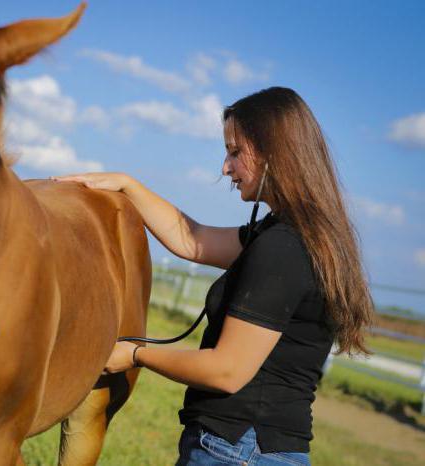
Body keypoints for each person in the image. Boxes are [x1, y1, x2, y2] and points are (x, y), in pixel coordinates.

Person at [54, 87, 373, 465]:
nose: (225, 167)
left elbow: (227, 371)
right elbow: (194, 240)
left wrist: (137, 355)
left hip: (237, 451)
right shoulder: (291, 236)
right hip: (249, 448)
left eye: (235, 152)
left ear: (275, 152)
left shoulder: (284, 249)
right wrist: (127, 185)